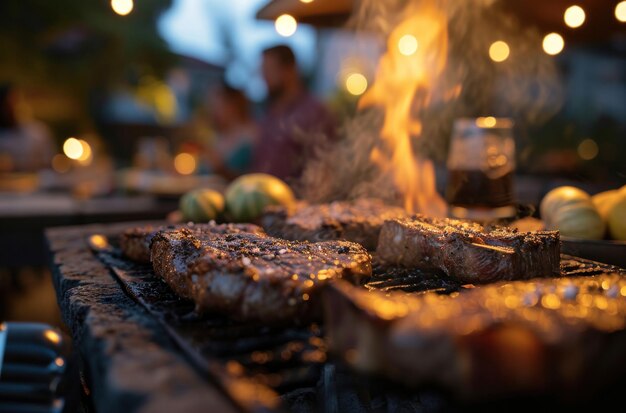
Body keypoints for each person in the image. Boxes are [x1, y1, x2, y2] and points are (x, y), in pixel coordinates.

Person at [253, 45, 336, 181]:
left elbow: (324, 168)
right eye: (262, 71)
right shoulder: (270, 113)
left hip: (297, 199)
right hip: (264, 196)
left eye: (269, 70)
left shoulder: (314, 112)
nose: (264, 78)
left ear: (289, 70)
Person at [203, 83, 256, 179]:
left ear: (232, 105)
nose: (213, 111)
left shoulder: (251, 135)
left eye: (217, 105)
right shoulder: (219, 137)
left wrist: (221, 169)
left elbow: (251, 175)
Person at [0, 84, 54, 172]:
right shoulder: (2, 137)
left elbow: (49, 162)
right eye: (7, 104)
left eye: (16, 101)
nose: (13, 107)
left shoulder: (38, 132)